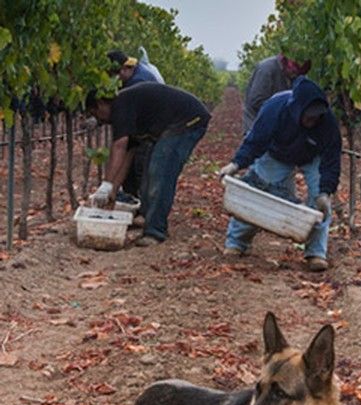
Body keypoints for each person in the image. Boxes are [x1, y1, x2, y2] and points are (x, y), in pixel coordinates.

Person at [220, 76, 341, 272]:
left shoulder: (327, 123)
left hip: (312, 157)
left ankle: (316, 253)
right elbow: (256, 141)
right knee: (257, 190)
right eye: (308, 117)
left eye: (317, 117)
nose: (313, 120)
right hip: (277, 153)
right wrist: (236, 164)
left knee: (320, 202)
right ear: (296, 110)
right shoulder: (275, 108)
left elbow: (331, 160)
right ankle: (237, 242)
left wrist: (326, 192)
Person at [86, 82, 210, 245]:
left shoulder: (120, 105)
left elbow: (119, 146)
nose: (99, 120)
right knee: (148, 175)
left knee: (159, 172)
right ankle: (146, 218)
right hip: (170, 125)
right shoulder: (128, 110)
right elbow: (128, 154)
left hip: (187, 120)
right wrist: (114, 191)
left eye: (95, 113)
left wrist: (106, 184)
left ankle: (155, 231)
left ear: (101, 103)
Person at [107, 49, 165, 204]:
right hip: (144, 128)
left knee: (140, 170)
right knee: (132, 168)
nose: (115, 79)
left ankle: (144, 209)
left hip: (151, 131)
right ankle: (133, 204)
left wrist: (107, 185)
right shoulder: (136, 72)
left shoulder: (137, 82)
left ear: (126, 68)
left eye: (116, 74)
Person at [243, 53, 311, 132]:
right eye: (295, 72)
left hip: (276, 130)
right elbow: (256, 101)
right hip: (257, 127)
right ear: (287, 62)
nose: (296, 75)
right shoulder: (267, 69)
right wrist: (286, 111)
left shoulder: (296, 74)